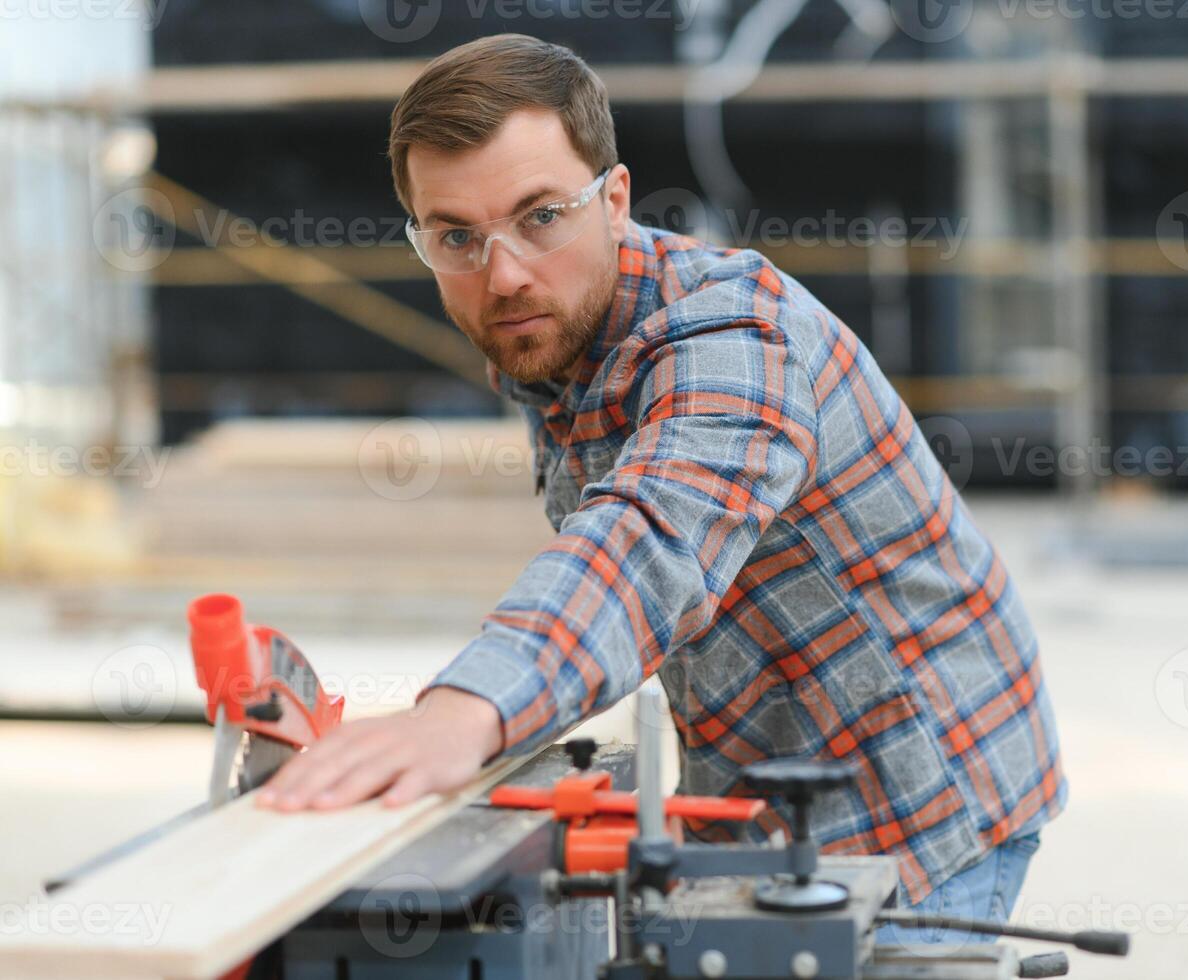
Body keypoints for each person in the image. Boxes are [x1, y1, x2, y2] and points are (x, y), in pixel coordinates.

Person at [256, 32, 1065, 933]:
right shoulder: (546, 333)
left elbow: (652, 537)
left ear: (615, 198)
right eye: (456, 237)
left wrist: (464, 713)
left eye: (541, 216)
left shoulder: (734, 342)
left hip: (924, 796)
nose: (505, 274)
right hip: (761, 769)